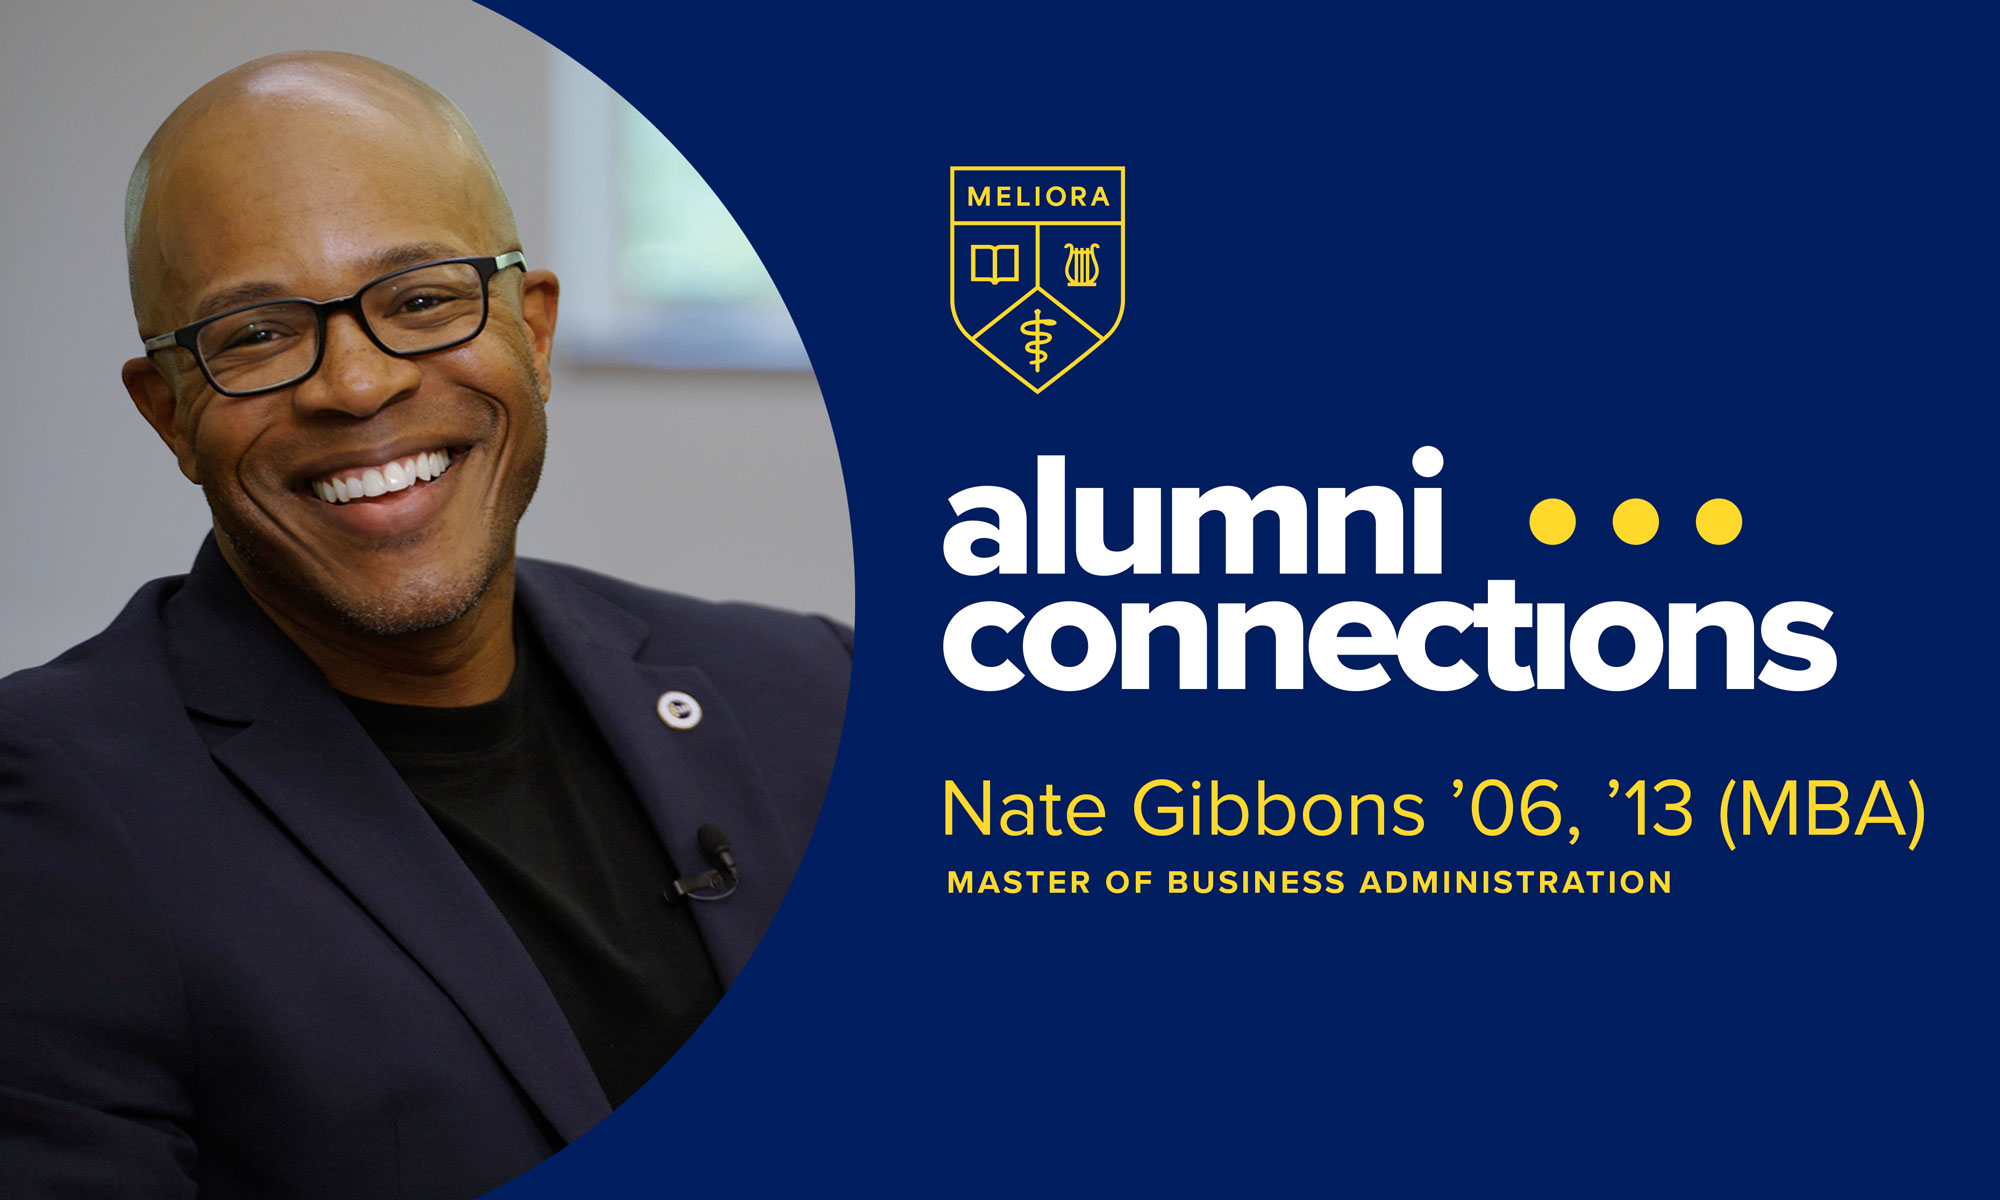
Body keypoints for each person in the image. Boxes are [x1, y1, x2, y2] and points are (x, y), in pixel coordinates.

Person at [0, 51, 849, 1199]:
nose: (353, 385)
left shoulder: (812, 691)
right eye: (254, 334)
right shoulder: (46, 810)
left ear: (533, 333)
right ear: (168, 414)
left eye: (421, 300)